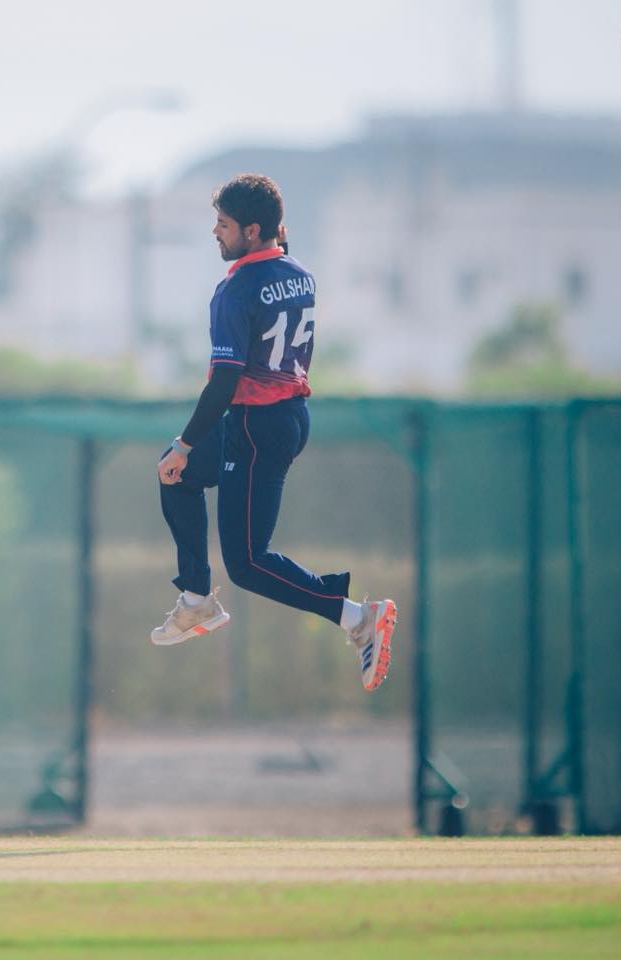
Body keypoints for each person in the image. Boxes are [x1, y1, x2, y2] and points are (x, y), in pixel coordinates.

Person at [153, 173, 397, 692]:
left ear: (252, 229)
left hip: (255, 426)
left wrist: (185, 442)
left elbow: (223, 383)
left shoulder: (234, 290)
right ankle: (195, 598)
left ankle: (356, 616)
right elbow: (276, 261)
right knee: (175, 475)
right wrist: (181, 454)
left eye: (223, 224)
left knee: (247, 563)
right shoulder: (300, 273)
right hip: (284, 417)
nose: (215, 233)